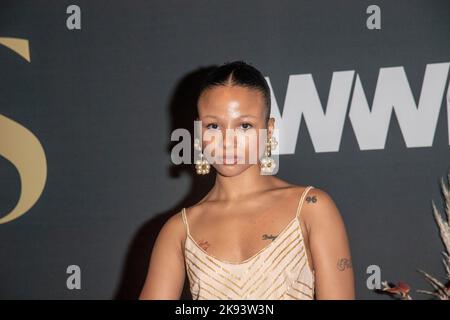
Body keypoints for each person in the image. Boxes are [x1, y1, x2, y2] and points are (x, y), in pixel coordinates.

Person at [139, 61, 355, 299]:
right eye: (213, 125)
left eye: (244, 125)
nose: (227, 140)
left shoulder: (311, 208)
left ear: (269, 130)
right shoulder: (179, 230)